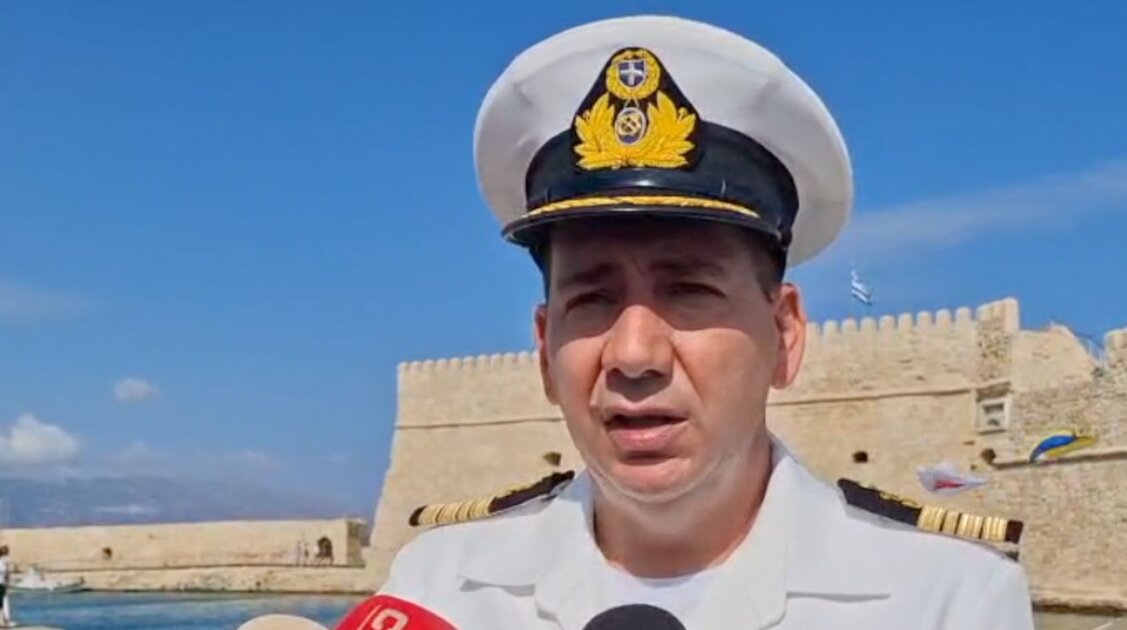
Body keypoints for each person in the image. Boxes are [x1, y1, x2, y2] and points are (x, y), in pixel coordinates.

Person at [380, 14, 1035, 629]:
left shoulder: (944, 601)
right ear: (545, 349)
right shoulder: (441, 591)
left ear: (785, 336)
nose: (634, 354)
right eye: (593, 300)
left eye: (689, 292)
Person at [0, 545, 11, 628]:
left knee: (2, 602)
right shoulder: (2, 562)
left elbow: (6, 575)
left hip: (2, 584)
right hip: (1, 584)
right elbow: (6, 575)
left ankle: (4, 620)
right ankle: (3, 621)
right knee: (2, 602)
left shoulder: (4, 562)